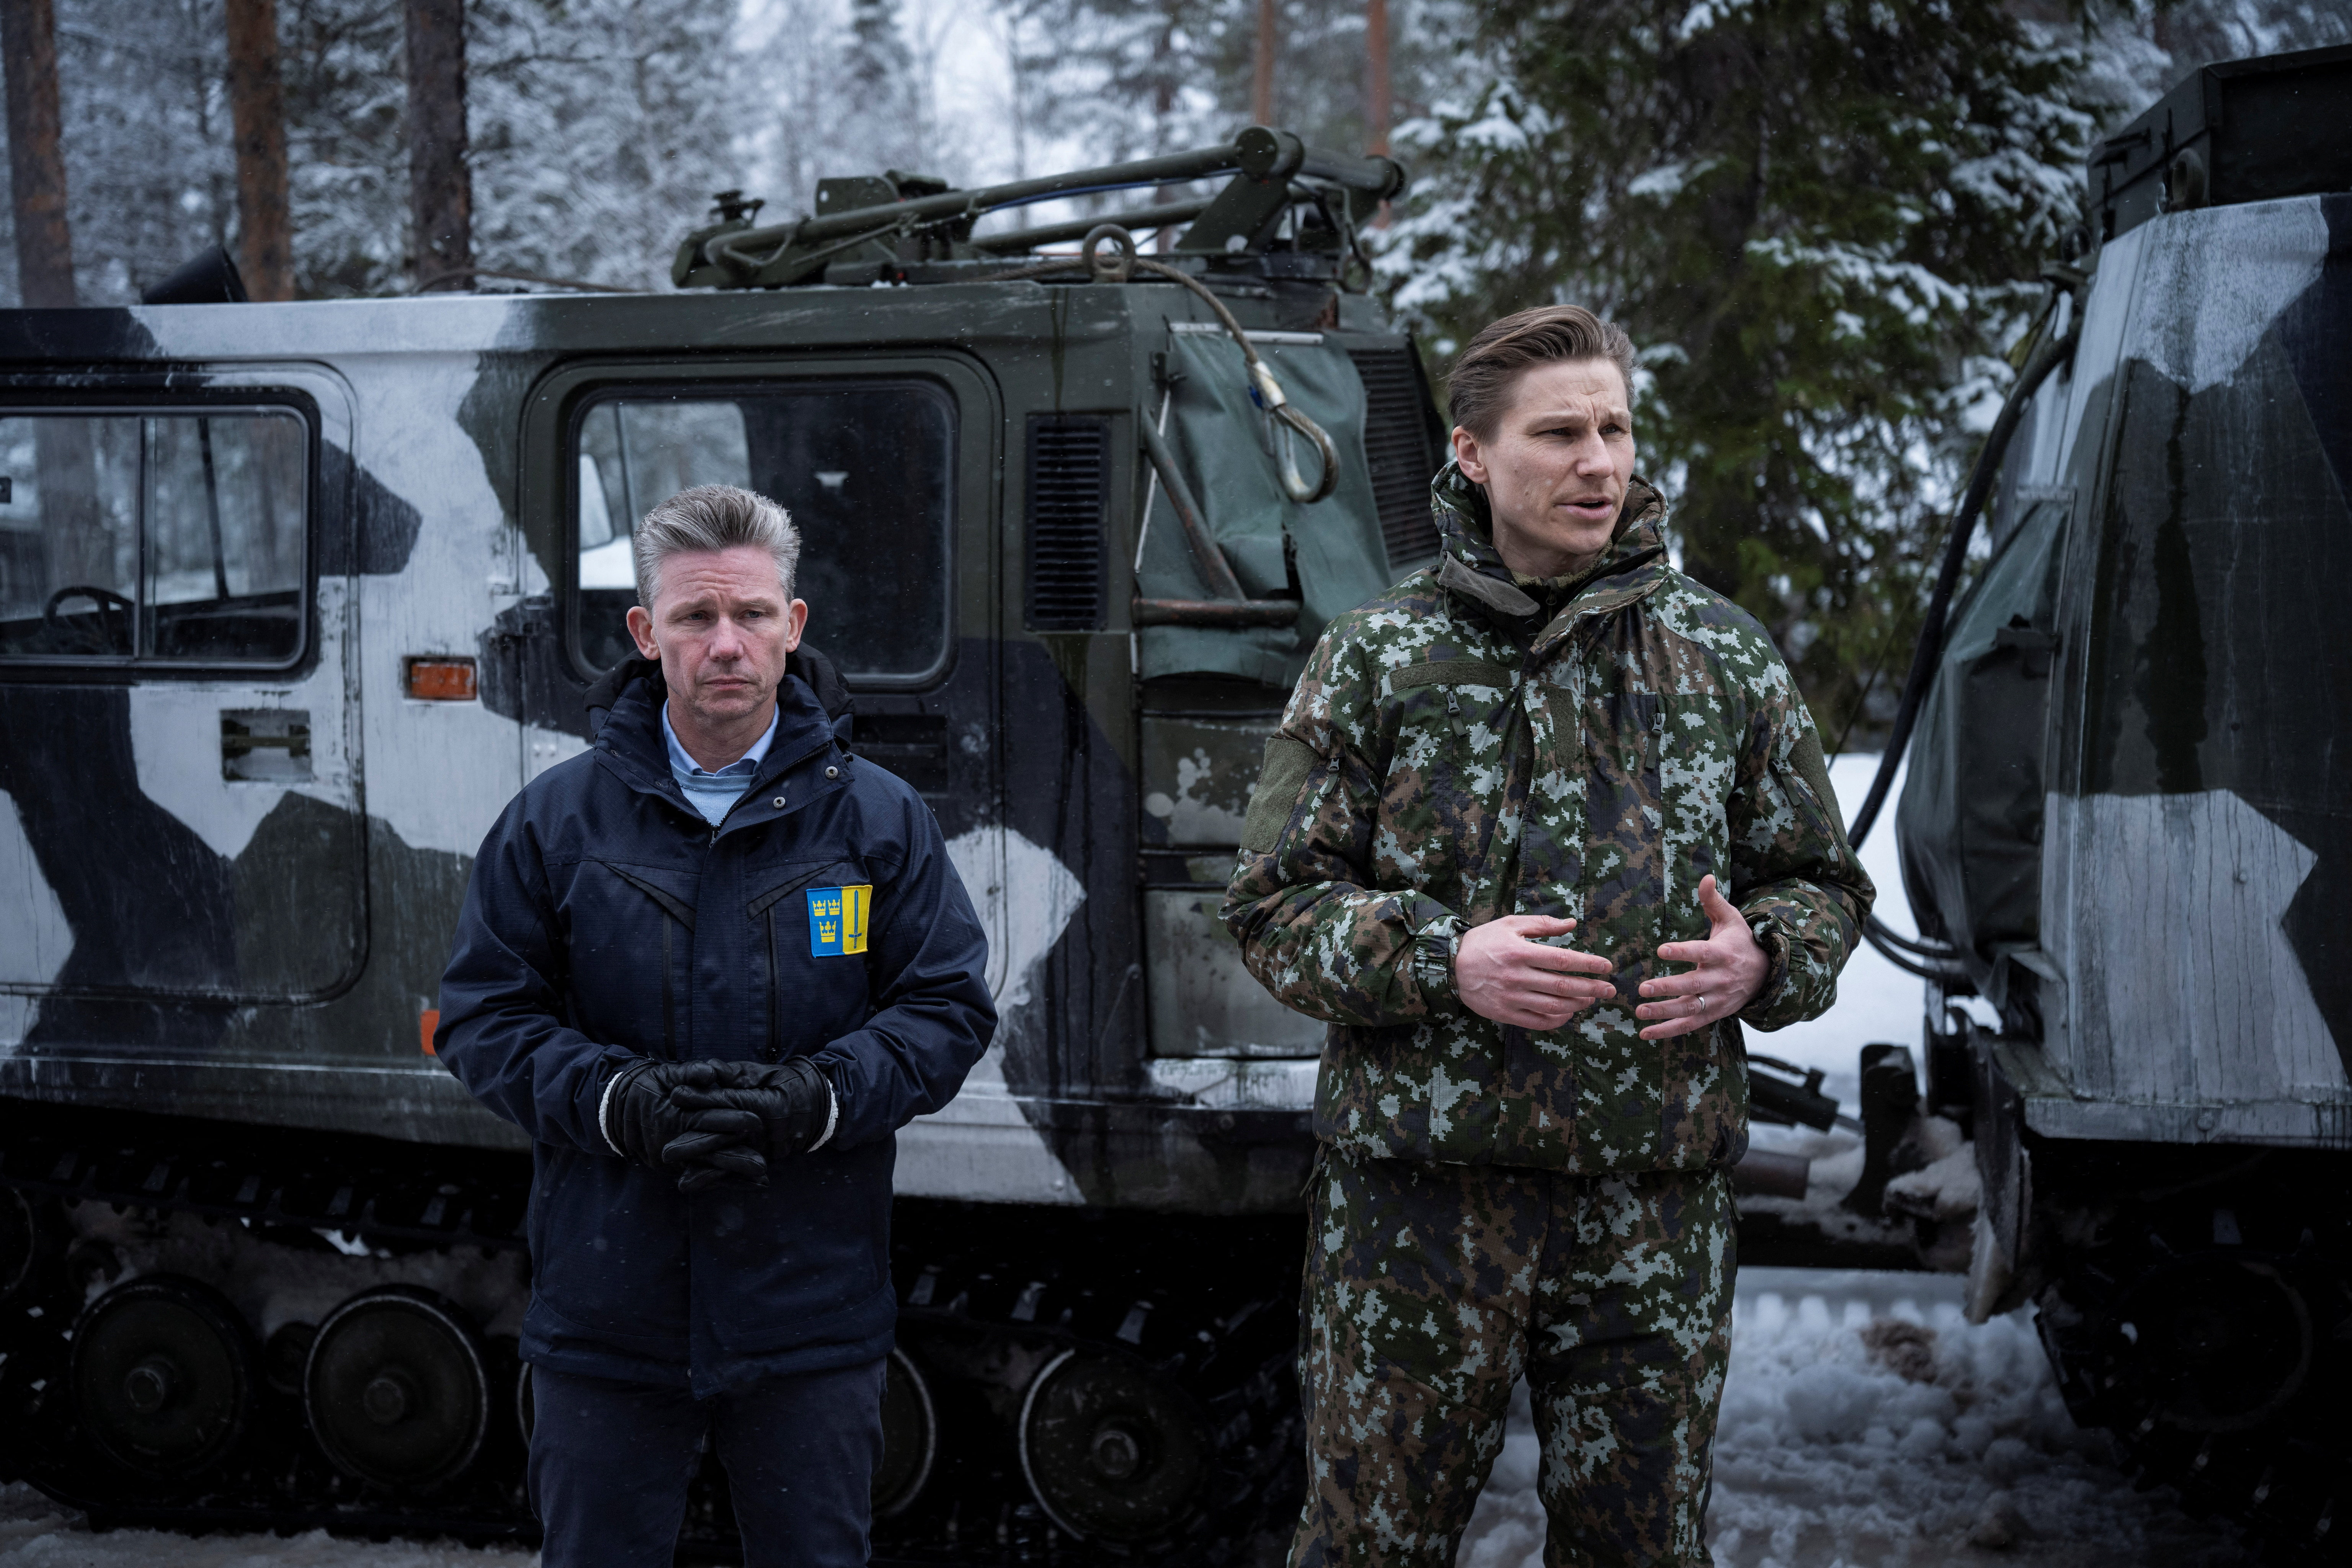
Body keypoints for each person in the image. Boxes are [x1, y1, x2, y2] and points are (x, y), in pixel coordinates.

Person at [1223, 305, 1872, 1567]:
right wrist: (1439, 960)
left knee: (1641, 1550)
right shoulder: (1380, 655)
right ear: (1472, 452)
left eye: (1616, 430)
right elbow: (1272, 906)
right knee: (1370, 1545)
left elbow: (1826, 888)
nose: (1600, 463)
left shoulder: (1723, 658)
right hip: (1419, 1205)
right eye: (1561, 433)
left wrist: (1768, 958)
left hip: (1653, 1206)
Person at [436, 483, 995, 1568]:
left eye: (750, 614)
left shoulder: (878, 820)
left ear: (795, 624)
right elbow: (485, 1018)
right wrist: (615, 1101)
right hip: (608, 1315)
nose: (724, 643)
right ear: (648, 635)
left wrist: (819, 1098)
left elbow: (943, 1009)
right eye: (695, 617)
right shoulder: (555, 823)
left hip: (808, 1314)